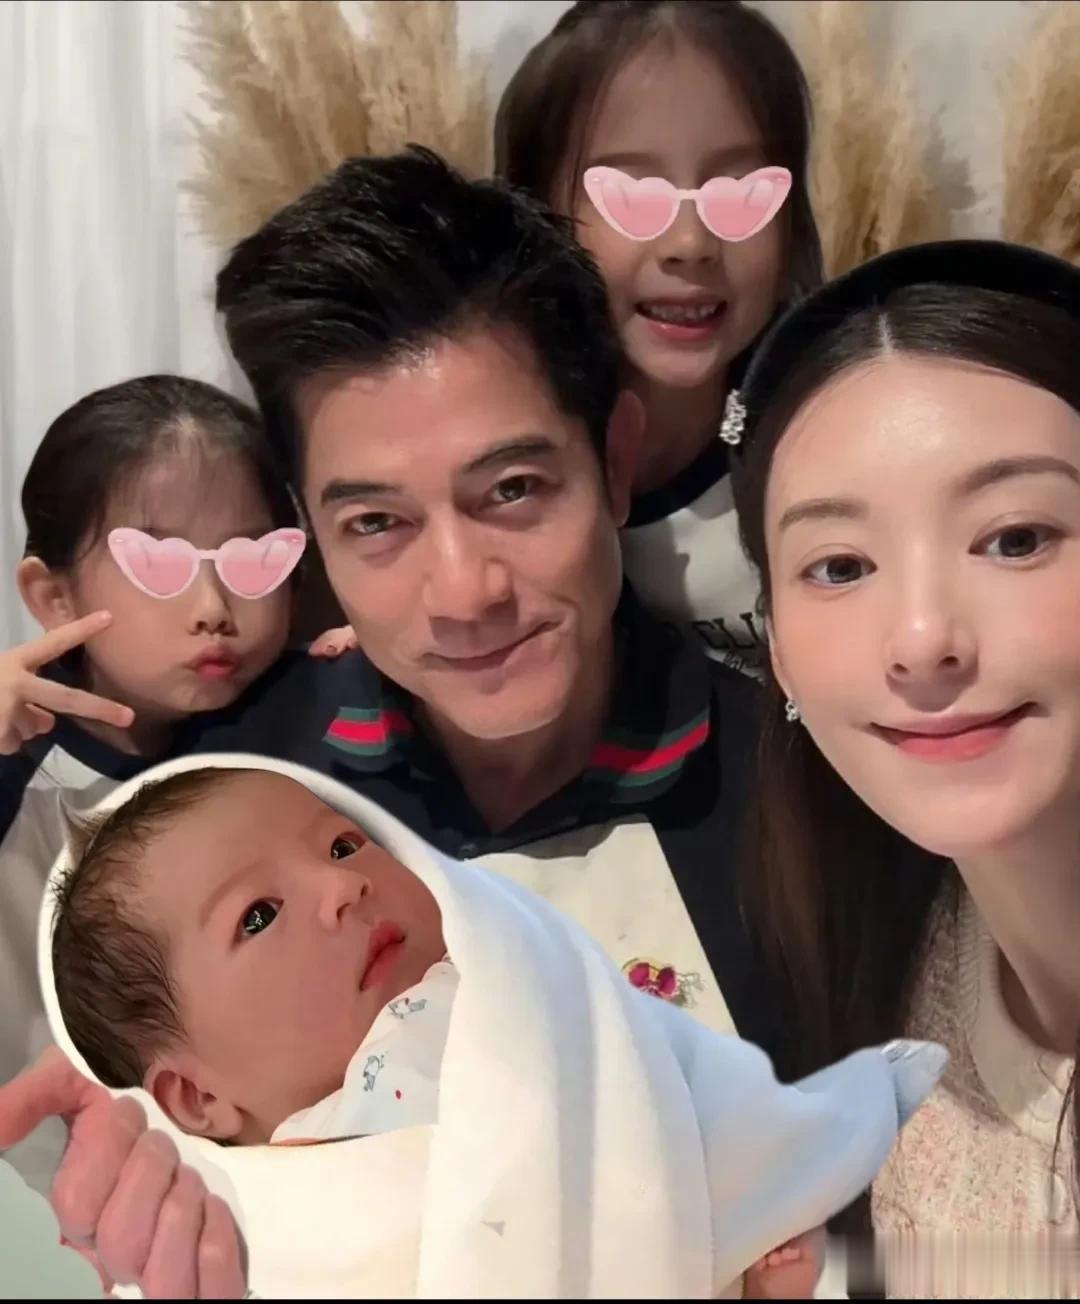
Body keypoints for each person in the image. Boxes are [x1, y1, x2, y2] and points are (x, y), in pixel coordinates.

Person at [194, 147, 772, 1054]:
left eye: (512, 490)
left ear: (615, 462)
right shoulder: (237, 790)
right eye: (377, 523)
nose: (464, 594)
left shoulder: (796, 795)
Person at [41, 761, 952, 1298]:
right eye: (259, 915)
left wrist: (749, 1170)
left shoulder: (510, 984)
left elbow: (646, 1076)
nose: (343, 887)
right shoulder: (243, 1226)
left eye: (343, 844)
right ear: (196, 1098)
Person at [731, 240, 1080, 1292]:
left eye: (1015, 538)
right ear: (776, 647)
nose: (923, 638)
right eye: (840, 565)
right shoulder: (890, 953)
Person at [0, 374, 301, 1192]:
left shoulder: (302, 722)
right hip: (66, 1196)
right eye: (157, 564)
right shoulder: (19, 774)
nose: (213, 606)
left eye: (251, 559)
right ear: (53, 595)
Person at [492, 0, 822, 673]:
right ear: (534, 216)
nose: (691, 242)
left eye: (738, 190)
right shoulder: (494, 456)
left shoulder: (828, 433)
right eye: (634, 195)